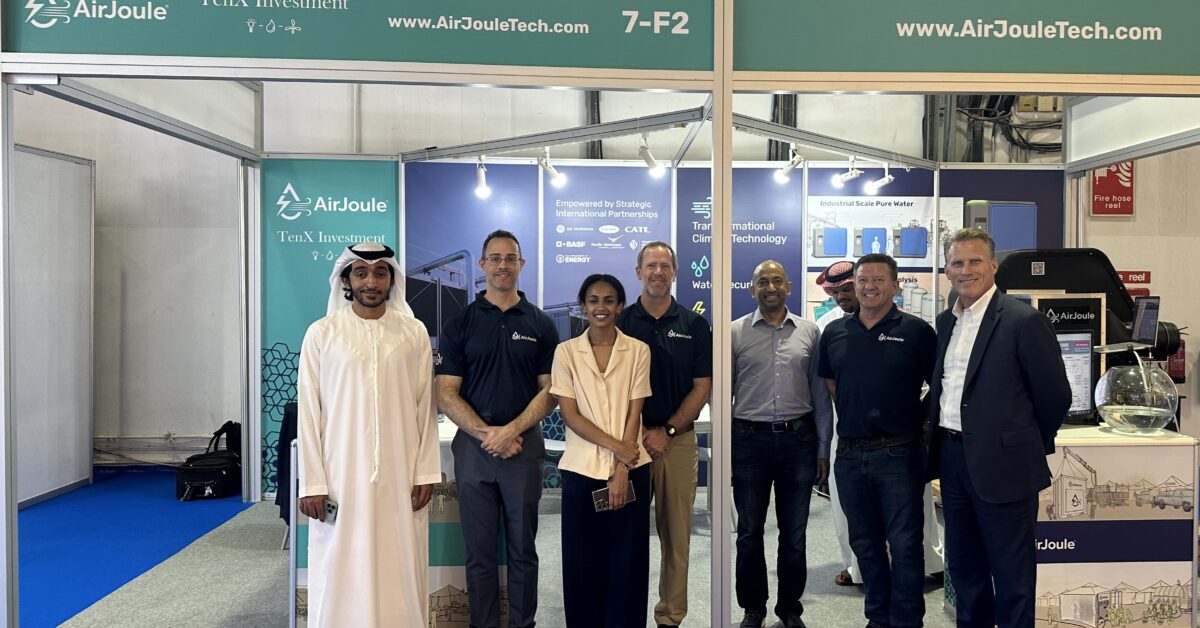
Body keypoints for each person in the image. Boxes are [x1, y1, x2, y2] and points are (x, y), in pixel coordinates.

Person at [928, 228, 1071, 627]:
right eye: (957, 262)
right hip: (954, 462)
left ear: (993, 266)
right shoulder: (946, 322)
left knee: (1012, 578)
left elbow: (1055, 397)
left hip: (1005, 466)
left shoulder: (1024, 321)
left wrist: (1020, 445)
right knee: (966, 573)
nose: (966, 270)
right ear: (947, 271)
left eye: (975, 261)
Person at [296, 242, 441, 627]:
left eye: (380, 273)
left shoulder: (413, 333)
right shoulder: (322, 333)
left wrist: (426, 472)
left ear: (391, 279)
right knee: (340, 562)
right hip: (340, 475)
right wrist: (312, 482)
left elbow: (425, 407)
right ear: (346, 280)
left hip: (400, 472)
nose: (371, 281)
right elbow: (310, 413)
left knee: (400, 561)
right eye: (360, 272)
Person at [435, 230, 560, 628]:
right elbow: (445, 392)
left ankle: (523, 624)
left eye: (511, 258)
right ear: (483, 265)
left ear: (521, 265)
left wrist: (512, 431)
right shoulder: (461, 323)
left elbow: (550, 391)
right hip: (474, 452)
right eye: (495, 257)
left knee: (523, 549)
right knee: (480, 552)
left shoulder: (540, 324)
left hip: (523, 448)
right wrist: (487, 434)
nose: (503, 264)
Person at [818, 253, 937, 628]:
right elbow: (831, 383)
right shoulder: (835, 332)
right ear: (853, 285)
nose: (869, 286)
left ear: (895, 285)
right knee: (865, 544)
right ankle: (878, 618)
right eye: (862, 280)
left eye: (878, 280)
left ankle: (906, 621)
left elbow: (939, 386)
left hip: (899, 453)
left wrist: (915, 418)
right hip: (850, 454)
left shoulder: (917, 331)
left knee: (904, 545)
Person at [730, 260, 832, 628]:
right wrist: (727, 451)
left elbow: (820, 395)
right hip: (748, 440)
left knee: (794, 533)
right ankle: (753, 608)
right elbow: (724, 397)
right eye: (762, 282)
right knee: (748, 532)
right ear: (751, 289)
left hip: (798, 442)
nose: (770, 287)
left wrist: (823, 447)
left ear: (789, 287)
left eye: (776, 281)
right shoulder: (734, 333)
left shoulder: (810, 332)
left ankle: (790, 609)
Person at [615, 241, 712, 628]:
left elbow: (702, 387)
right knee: (627, 536)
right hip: (627, 443)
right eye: (650, 265)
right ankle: (627, 614)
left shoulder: (694, 324)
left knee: (677, 539)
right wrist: (638, 436)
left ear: (675, 273)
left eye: (665, 266)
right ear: (638, 272)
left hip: (677, 442)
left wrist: (668, 429)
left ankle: (670, 617)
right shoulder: (621, 322)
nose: (658, 272)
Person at [550, 274, 653, 628]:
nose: (601, 307)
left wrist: (622, 468)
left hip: (633, 470)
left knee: (628, 565)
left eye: (609, 300)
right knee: (582, 566)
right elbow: (570, 415)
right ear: (583, 306)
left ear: (620, 306)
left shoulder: (639, 350)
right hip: (581, 471)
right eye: (593, 300)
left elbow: (634, 411)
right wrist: (618, 450)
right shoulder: (565, 353)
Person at [813, 261, 862, 588]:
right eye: (836, 291)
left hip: (897, 434)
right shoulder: (826, 326)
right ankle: (855, 566)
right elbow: (824, 386)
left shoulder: (903, 321)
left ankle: (927, 563)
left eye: (848, 288)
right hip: (844, 430)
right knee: (846, 505)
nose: (843, 296)